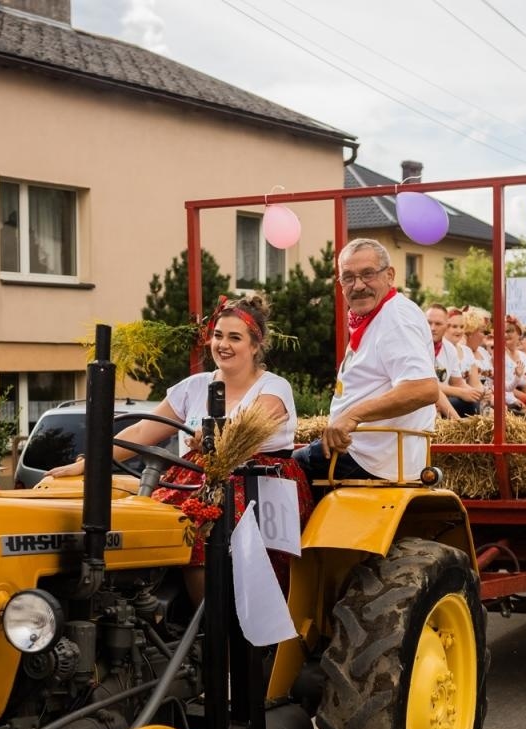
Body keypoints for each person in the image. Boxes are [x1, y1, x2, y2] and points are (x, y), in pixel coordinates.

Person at [48, 294, 309, 602]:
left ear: (255, 345)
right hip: (197, 479)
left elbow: (249, 425)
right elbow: (143, 430)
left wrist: (215, 435)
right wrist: (91, 462)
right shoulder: (195, 386)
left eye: (235, 337)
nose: (223, 344)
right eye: (218, 335)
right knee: (142, 524)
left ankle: (217, 635)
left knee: (196, 531)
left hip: (257, 483)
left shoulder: (274, 387)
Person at [294, 238, 438, 483]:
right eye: (348, 278)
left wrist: (351, 416)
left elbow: (423, 388)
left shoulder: (396, 318)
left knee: (278, 469)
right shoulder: (378, 316)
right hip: (370, 453)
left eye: (368, 274)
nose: (358, 285)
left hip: (371, 460)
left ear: (389, 275)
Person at [427, 303, 482, 417]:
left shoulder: (450, 348)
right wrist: (461, 392)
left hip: (443, 400)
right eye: (429, 323)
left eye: (438, 324)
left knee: (473, 404)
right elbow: (427, 385)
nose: (432, 328)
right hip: (425, 402)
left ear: (445, 325)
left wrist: (475, 393)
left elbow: (458, 382)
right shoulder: (418, 346)